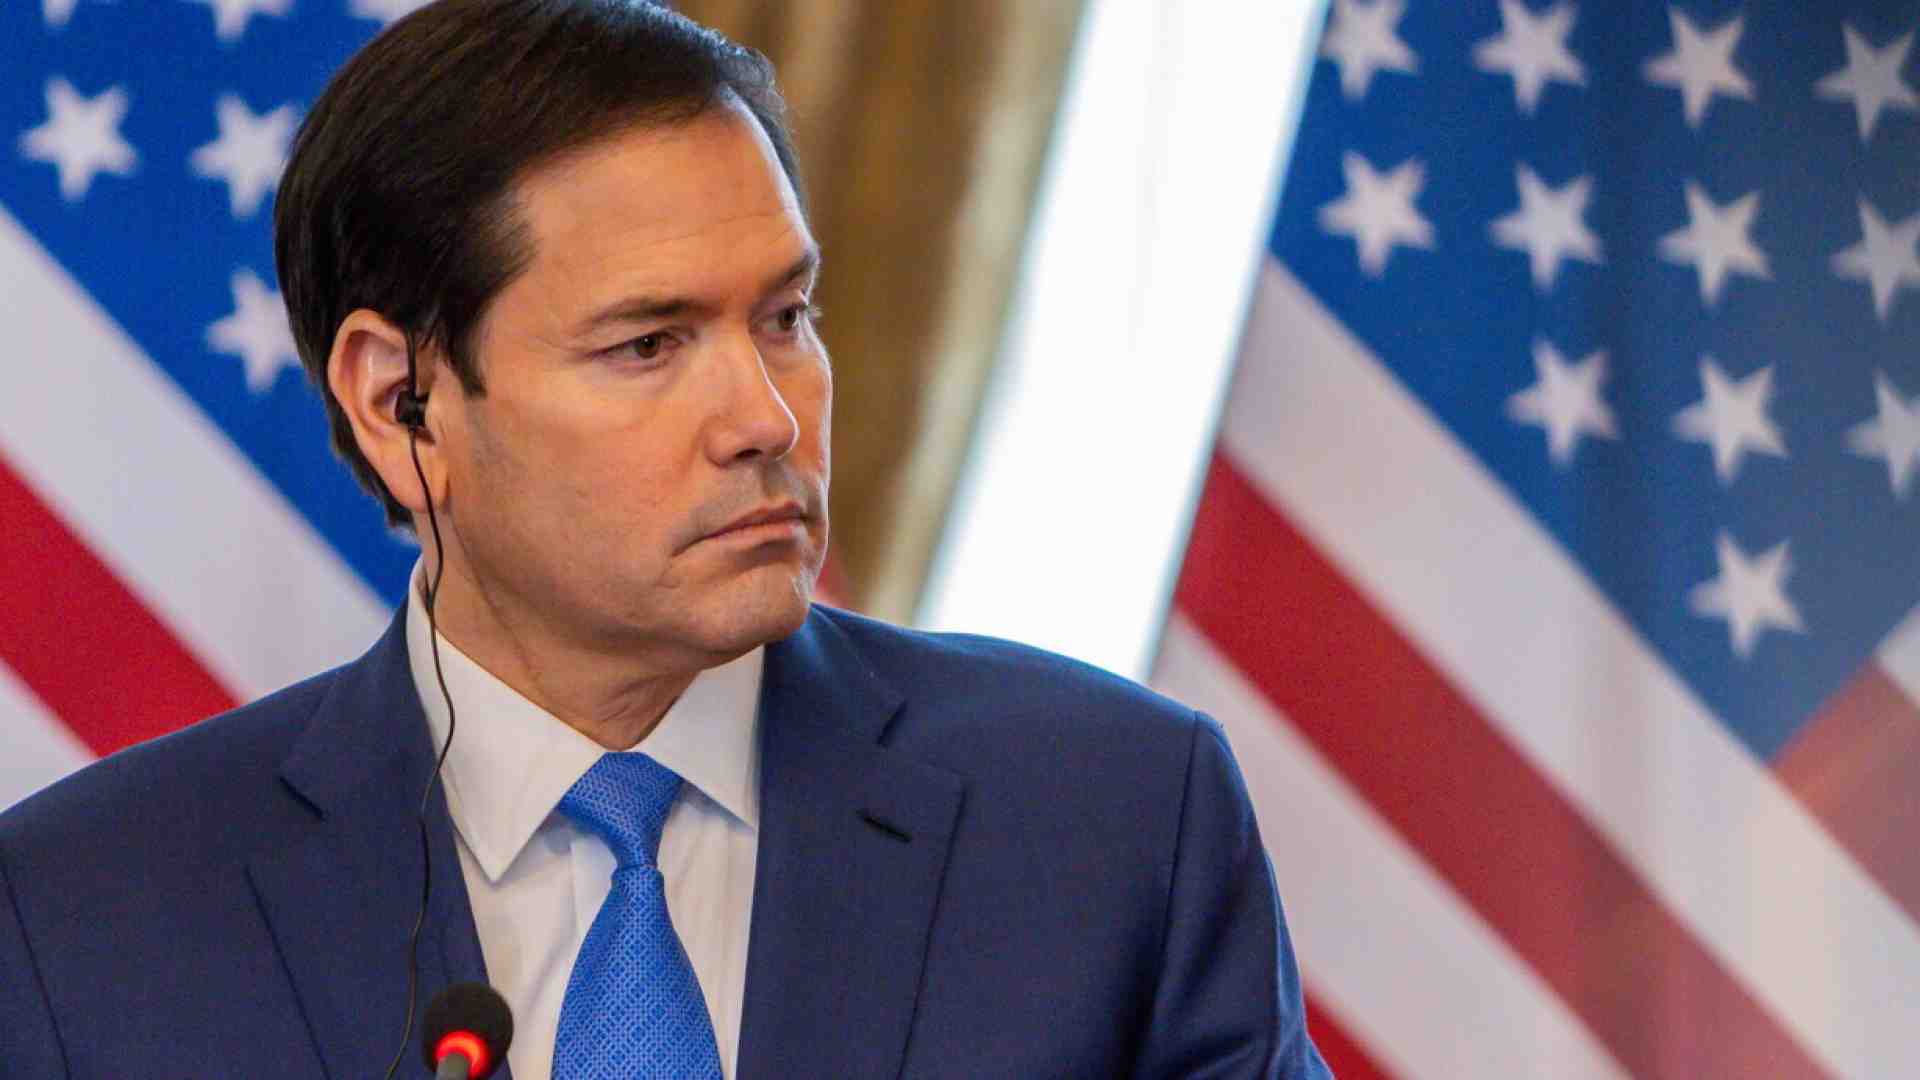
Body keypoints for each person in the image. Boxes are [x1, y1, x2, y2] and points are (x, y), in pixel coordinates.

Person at [0, 2, 1331, 1077]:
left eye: (786, 319)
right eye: (648, 344)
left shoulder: (1112, 819)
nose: (766, 418)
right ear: (401, 403)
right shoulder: (82, 919)